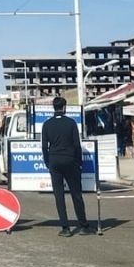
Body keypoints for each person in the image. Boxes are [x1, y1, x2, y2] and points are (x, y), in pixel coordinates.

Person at [42, 96, 90, 237]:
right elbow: (76, 145)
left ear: (53, 107)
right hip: (70, 160)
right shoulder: (71, 123)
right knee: (76, 194)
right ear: (64, 107)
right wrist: (79, 162)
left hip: (54, 161)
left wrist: (47, 162)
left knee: (59, 195)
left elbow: (44, 147)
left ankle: (65, 228)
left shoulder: (47, 124)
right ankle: (83, 226)